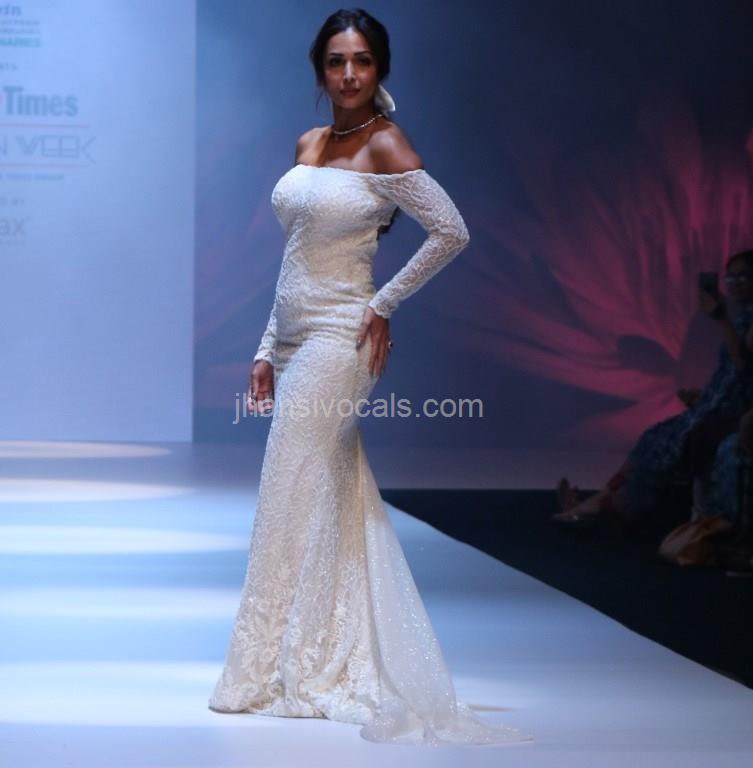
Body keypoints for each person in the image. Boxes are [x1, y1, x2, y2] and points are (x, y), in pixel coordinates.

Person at [207, 9, 533, 748]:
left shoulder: (386, 144)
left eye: (361, 60)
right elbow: (295, 258)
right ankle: (318, 654)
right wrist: (265, 346)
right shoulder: (309, 143)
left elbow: (451, 231)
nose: (349, 74)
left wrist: (382, 305)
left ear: (380, 68)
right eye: (336, 61)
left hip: (341, 339)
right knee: (326, 493)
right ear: (319, 70)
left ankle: (281, 670)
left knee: (285, 489)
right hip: (295, 336)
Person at [553, 249, 753, 533]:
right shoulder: (741, 318)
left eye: (744, 276)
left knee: (666, 445)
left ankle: (600, 507)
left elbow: (744, 364)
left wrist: (720, 319)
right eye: (730, 277)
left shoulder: (739, 321)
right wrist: (704, 396)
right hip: (717, 406)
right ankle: (599, 501)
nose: (735, 283)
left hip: (735, 413)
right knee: (653, 439)